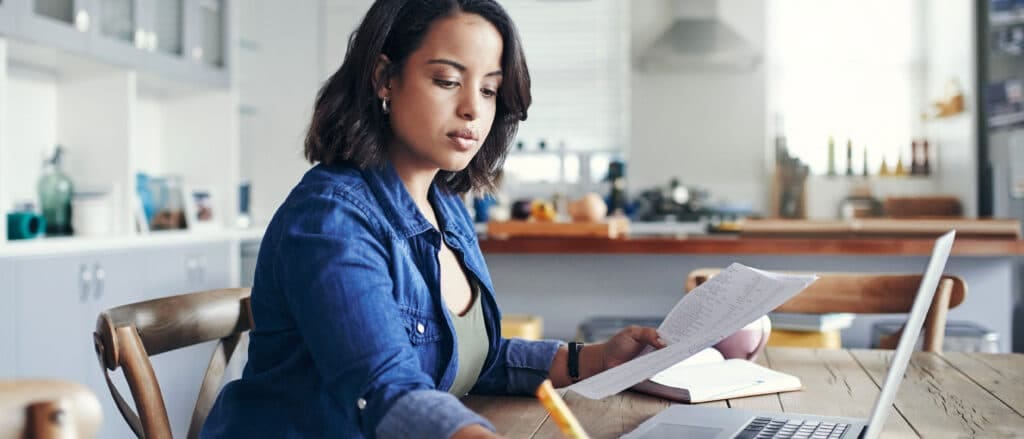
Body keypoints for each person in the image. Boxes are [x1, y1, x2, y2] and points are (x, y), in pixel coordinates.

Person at [201, 1, 664, 437]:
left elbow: (471, 358)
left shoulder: (446, 207)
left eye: (489, 89)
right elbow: (385, 387)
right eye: (447, 81)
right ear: (385, 77)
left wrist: (597, 358)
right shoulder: (330, 220)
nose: (473, 108)